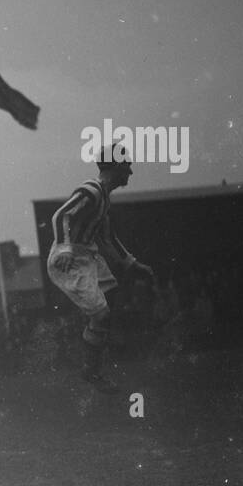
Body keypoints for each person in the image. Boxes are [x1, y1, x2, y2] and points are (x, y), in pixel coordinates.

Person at [46, 155, 154, 392]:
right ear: (115, 167)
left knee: (111, 297)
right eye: (127, 167)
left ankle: (93, 341)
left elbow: (107, 238)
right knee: (102, 315)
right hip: (70, 259)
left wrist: (131, 263)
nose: (130, 172)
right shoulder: (92, 191)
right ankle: (91, 370)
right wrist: (65, 248)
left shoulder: (103, 198)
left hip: (87, 256)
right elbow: (62, 215)